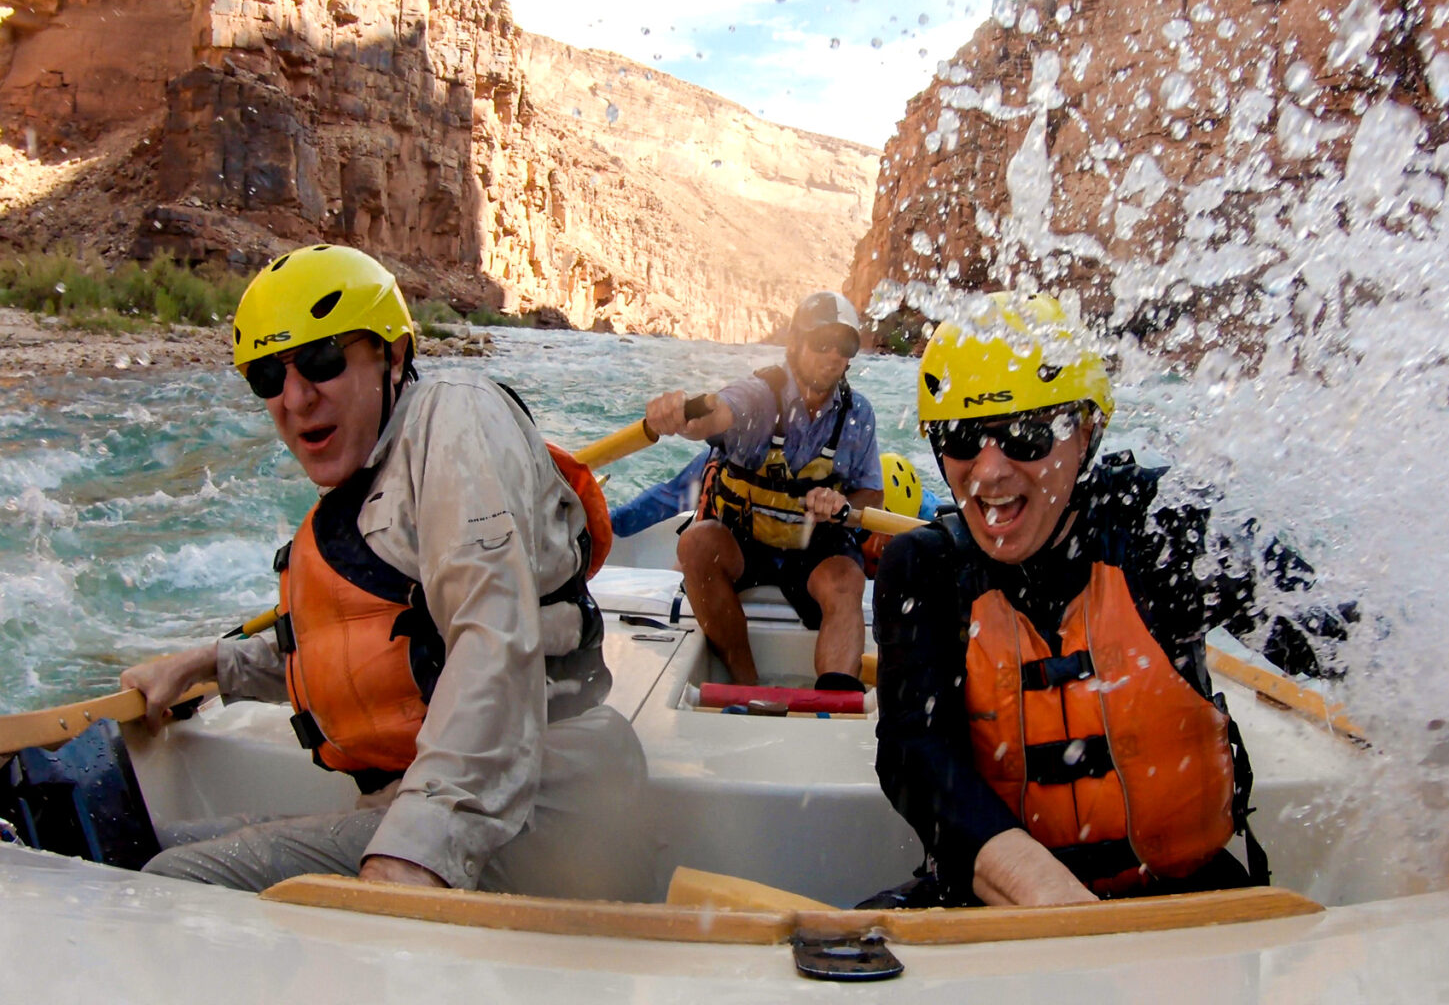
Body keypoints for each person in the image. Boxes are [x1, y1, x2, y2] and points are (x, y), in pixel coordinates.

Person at [120, 244, 649, 899]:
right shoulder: (378, 468)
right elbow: (378, 640)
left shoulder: (456, 418)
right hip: (461, 790)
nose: (295, 396)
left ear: (393, 355)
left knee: (170, 882)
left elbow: (494, 642)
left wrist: (416, 853)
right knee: (153, 846)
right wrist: (210, 665)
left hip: (542, 796)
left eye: (322, 360)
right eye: (266, 375)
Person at [871, 291, 1351, 908]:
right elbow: (916, 753)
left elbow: (1335, 638)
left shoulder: (1167, 532)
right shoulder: (924, 568)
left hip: (1186, 901)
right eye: (961, 437)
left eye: (1024, 433)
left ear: (1087, 429)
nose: (987, 473)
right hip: (1000, 907)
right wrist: (1046, 893)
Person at [645, 291, 883, 689]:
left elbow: (872, 497)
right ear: (795, 344)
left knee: (847, 578)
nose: (833, 356)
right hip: (746, 538)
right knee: (697, 544)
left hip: (814, 546)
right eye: (821, 342)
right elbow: (715, 412)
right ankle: (747, 685)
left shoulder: (859, 415)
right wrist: (684, 413)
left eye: (844, 346)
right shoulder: (759, 394)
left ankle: (835, 697)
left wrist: (843, 503)